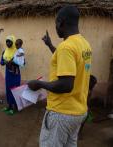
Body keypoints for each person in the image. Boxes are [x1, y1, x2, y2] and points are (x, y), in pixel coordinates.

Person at [28, 6, 92, 147]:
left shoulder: (66, 47)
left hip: (61, 113)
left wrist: (39, 84)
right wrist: (50, 45)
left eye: (55, 23)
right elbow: (65, 60)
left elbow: (66, 85)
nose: (55, 27)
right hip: (78, 112)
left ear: (61, 22)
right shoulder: (84, 44)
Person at [0, 35, 21, 115]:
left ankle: (15, 107)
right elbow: (1, 62)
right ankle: (9, 106)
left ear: (13, 42)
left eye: (9, 41)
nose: (8, 43)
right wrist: (5, 62)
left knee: (15, 90)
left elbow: (23, 62)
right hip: (8, 73)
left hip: (15, 74)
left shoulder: (17, 51)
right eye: (7, 41)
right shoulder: (4, 51)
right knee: (8, 89)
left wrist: (13, 62)